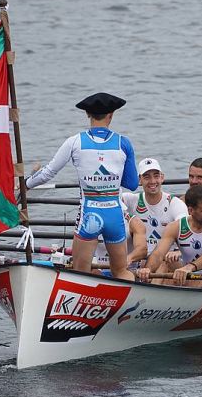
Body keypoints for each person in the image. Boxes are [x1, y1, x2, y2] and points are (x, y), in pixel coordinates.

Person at [26, 92, 137, 280]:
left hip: (90, 214)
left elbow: (48, 173)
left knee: (80, 274)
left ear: (88, 114)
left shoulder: (74, 142)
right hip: (115, 215)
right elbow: (132, 184)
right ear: (111, 114)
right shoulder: (123, 143)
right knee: (121, 272)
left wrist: (25, 186)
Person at [137, 185, 202, 286]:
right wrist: (147, 270)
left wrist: (189, 267)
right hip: (189, 276)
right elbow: (158, 254)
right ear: (190, 211)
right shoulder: (175, 227)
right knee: (165, 262)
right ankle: (151, 292)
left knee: (198, 281)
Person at [121, 157, 187, 256]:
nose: (152, 181)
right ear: (139, 180)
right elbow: (109, 198)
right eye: (147, 177)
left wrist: (179, 252)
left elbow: (185, 229)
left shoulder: (174, 203)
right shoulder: (131, 200)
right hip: (140, 260)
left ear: (162, 177)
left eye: (156, 176)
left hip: (166, 259)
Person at [92, 205, 147, 275]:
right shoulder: (93, 220)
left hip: (127, 270)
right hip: (101, 270)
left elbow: (142, 250)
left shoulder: (134, 222)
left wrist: (127, 260)